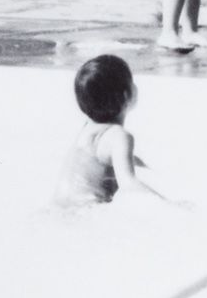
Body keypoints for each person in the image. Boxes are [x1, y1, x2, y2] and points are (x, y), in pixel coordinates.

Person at [59, 54, 159, 206]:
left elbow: (99, 158)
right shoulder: (120, 136)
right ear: (127, 94)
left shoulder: (87, 129)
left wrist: (136, 161)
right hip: (86, 213)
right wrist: (168, 203)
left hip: (62, 207)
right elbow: (129, 184)